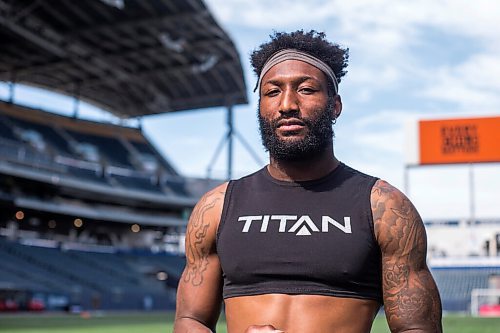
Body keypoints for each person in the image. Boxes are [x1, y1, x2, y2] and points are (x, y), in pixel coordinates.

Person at [173, 30, 442, 333]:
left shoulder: (385, 207)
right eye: (272, 92)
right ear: (261, 107)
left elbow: (418, 328)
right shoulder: (216, 207)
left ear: (335, 105)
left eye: (306, 90)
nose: (287, 104)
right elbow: (189, 320)